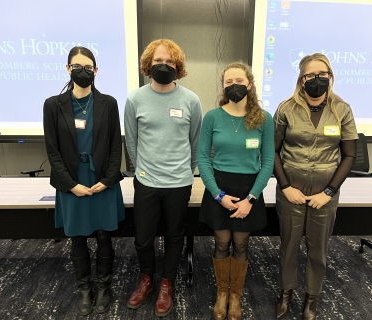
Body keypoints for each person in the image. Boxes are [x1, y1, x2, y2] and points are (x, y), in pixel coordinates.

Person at [273, 53, 358, 320]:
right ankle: (286, 292)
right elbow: (272, 151)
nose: (316, 80)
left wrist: (329, 192)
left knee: (318, 247)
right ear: (301, 80)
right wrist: (285, 186)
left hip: (326, 191)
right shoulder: (286, 108)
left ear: (330, 77)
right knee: (288, 246)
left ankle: (312, 296)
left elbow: (349, 155)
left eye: (322, 75)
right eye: (310, 75)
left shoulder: (341, 109)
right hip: (291, 191)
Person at [43, 46, 125, 316]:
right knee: (77, 237)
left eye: (88, 67)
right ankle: (84, 289)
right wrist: (70, 184)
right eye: (77, 66)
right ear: (68, 69)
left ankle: (103, 287)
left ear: (96, 71)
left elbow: (116, 147)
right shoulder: (53, 105)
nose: (83, 71)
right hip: (72, 182)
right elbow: (52, 151)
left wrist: (110, 179)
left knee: (103, 235)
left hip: (101, 181)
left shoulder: (108, 103)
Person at [124, 39, 203, 317]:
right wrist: (142, 169)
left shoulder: (191, 100)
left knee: (174, 236)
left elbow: (195, 144)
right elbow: (131, 143)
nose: (163, 65)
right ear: (148, 64)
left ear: (178, 66)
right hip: (146, 181)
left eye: (169, 62)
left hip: (179, 182)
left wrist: (187, 171)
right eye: (158, 61)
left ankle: (166, 284)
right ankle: (147, 279)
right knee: (143, 239)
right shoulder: (135, 99)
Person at [197, 62, 274, 320]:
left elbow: (268, 163)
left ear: (249, 84)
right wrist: (217, 194)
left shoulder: (264, 119)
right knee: (221, 242)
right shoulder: (212, 117)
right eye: (228, 82)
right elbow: (203, 159)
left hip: (249, 190)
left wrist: (251, 199)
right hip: (219, 187)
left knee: (241, 244)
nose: (234, 86)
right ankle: (221, 292)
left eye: (239, 81)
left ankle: (235, 295)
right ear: (222, 86)